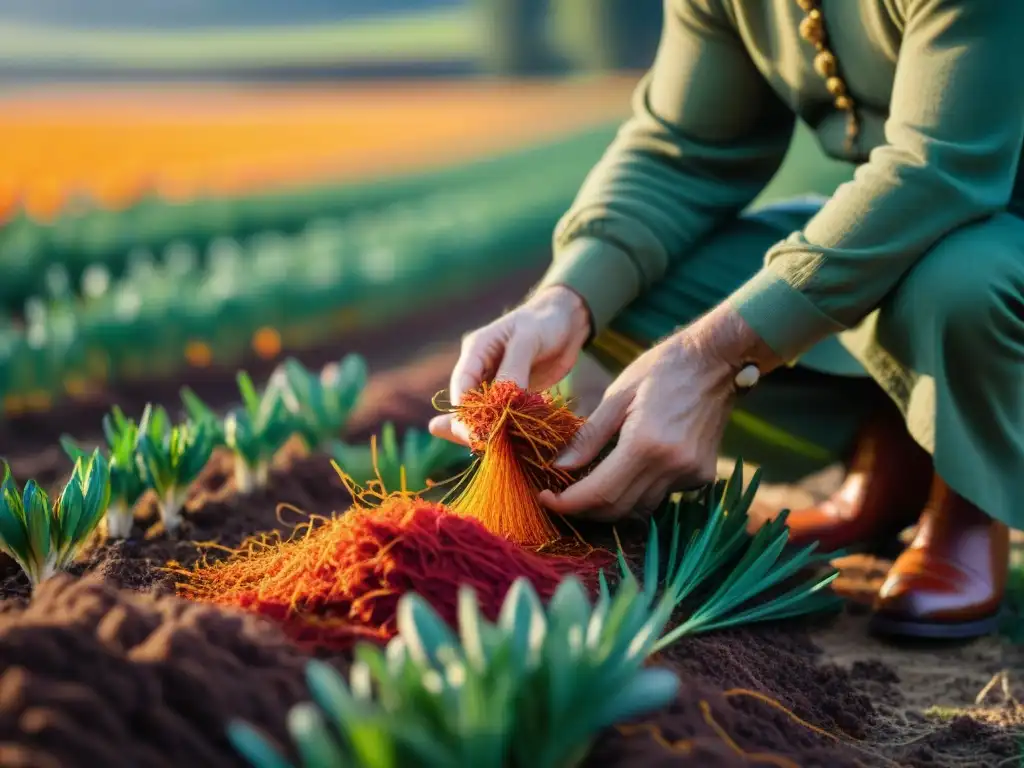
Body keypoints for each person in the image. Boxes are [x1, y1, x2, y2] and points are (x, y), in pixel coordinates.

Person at [430, 0, 1024, 640]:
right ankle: (900, 449)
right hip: (921, 225)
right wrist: (564, 298)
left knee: (960, 281)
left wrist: (712, 359)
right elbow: (685, 150)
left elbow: (935, 171)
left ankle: (969, 494)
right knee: (629, 289)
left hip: (982, 228)